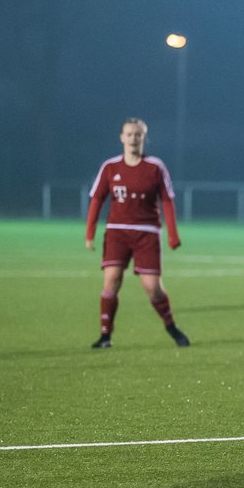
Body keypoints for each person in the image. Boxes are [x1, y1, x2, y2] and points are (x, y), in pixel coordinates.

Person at [85, 118, 190, 348]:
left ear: (144, 138)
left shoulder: (155, 167)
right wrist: (90, 232)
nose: (133, 138)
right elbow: (97, 199)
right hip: (117, 231)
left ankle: (171, 326)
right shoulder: (110, 167)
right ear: (122, 137)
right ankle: (105, 335)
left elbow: (167, 200)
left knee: (152, 287)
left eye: (138, 134)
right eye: (129, 134)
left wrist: (173, 234)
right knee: (111, 280)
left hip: (147, 232)